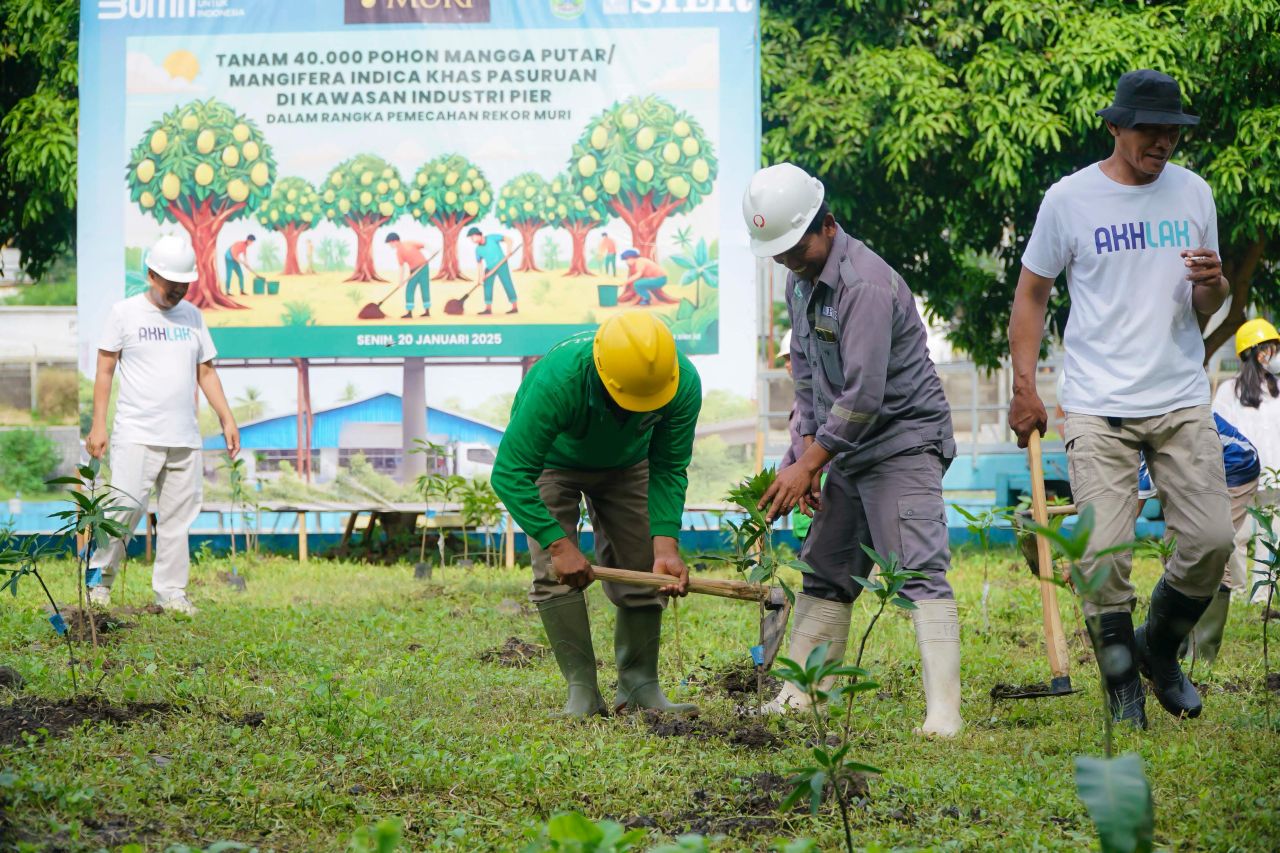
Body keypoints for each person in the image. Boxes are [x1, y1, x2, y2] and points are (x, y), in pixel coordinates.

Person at [1008, 70, 1234, 728]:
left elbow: (1204, 299)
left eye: (1171, 131)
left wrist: (1215, 285)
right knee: (1104, 556)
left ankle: (1157, 646)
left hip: (1180, 394)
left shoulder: (1195, 193)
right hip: (1098, 401)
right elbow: (1032, 292)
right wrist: (1025, 385)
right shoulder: (1069, 200)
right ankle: (1122, 690)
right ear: (1114, 127)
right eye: (1148, 130)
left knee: (1212, 539)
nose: (1162, 142)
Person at [743, 162, 963, 737]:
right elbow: (809, 377)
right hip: (845, 447)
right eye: (778, 251)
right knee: (827, 567)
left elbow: (863, 393)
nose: (786, 260)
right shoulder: (801, 282)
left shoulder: (864, 283)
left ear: (827, 225)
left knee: (918, 571)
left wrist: (813, 463)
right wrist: (803, 455)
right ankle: (805, 694)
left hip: (901, 440)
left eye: (794, 247)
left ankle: (944, 713)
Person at [491, 312, 700, 717]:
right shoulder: (559, 379)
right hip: (554, 461)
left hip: (629, 463)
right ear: (602, 374)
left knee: (645, 569)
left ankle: (639, 685)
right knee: (556, 574)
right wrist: (558, 544)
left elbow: (670, 465)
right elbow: (511, 473)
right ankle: (582, 692)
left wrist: (666, 545)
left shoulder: (683, 382)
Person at [86, 235, 241, 615]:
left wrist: (226, 416)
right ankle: (97, 583)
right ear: (152, 275)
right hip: (137, 433)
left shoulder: (192, 316)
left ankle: (171, 592)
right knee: (123, 508)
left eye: (183, 284)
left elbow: (206, 372)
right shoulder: (124, 313)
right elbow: (105, 370)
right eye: (172, 284)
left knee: (177, 519)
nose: (178, 291)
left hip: (184, 436)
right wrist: (98, 426)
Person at [1135, 410, 1260, 665]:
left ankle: (1202, 655)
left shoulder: (1146, 424)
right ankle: (1177, 641)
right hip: (1194, 475)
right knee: (1171, 550)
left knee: (1213, 554)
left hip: (1234, 467)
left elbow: (1135, 504)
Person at [467, 227, 518, 315]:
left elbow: (508, 239)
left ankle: (514, 307)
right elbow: (479, 264)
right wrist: (480, 278)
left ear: (479, 235)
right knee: (487, 285)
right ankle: (488, 309)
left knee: (507, 283)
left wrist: (509, 250)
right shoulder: (478, 250)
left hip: (502, 265)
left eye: (473, 237)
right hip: (490, 268)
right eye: (471, 238)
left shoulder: (492, 238)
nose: (472, 239)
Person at [385, 232, 432, 319]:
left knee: (423, 288)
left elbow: (424, 245)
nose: (390, 246)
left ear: (394, 241)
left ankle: (426, 311)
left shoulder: (409, 243)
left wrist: (431, 251)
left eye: (389, 244)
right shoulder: (399, 252)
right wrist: (401, 281)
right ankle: (410, 312)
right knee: (410, 289)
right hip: (414, 270)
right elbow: (402, 267)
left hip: (423, 267)